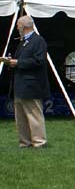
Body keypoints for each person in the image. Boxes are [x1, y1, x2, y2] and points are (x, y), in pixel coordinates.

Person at [0, 15, 49, 148]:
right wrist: (11, 62)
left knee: (34, 115)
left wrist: (18, 62)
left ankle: (39, 142)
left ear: (24, 26)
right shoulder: (23, 42)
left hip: (32, 86)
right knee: (20, 117)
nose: (17, 28)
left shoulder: (38, 40)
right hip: (20, 85)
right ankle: (25, 142)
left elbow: (40, 61)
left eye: (18, 25)